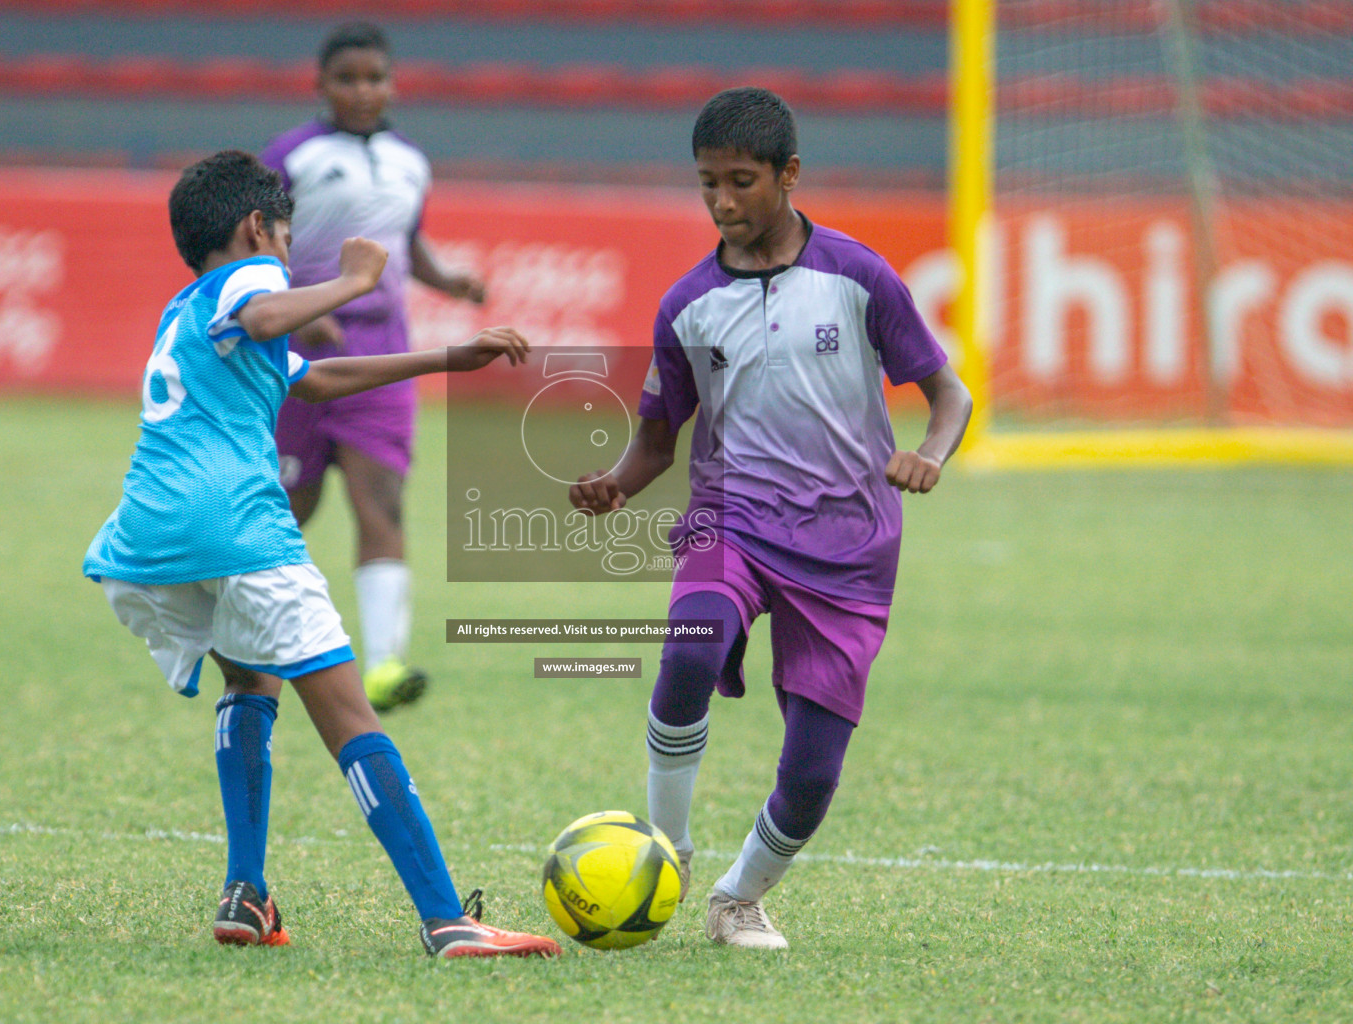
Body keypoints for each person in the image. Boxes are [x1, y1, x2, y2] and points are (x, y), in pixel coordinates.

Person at [83, 150, 557, 958]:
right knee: (348, 716)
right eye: (286, 242)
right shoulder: (244, 283)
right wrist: (358, 280)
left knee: (251, 677)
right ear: (255, 228)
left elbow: (318, 377)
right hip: (235, 528)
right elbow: (269, 313)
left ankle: (246, 892)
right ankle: (447, 918)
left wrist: (450, 356)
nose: (287, 259)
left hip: (144, 543)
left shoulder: (186, 311)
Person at [569, 89, 973, 949]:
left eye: (741, 182)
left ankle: (738, 897)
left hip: (850, 547)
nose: (722, 202)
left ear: (789, 175)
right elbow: (654, 441)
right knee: (690, 648)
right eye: (708, 183)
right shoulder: (686, 306)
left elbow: (949, 394)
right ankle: (665, 848)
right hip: (733, 518)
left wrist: (930, 454)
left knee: (814, 771)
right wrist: (615, 483)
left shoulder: (858, 275)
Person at [260, 22, 485, 713]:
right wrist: (297, 304)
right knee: (287, 508)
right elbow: (258, 248)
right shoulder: (293, 157)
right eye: (348, 78)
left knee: (380, 503)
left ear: (392, 83)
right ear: (321, 85)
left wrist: (449, 281)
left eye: (375, 78)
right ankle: (260, 647)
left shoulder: (410, 161)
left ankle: (385, 665)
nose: (364, 90)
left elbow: (406, 244)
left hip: (381, 347)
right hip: (299, 350)